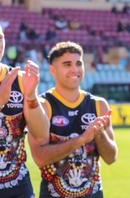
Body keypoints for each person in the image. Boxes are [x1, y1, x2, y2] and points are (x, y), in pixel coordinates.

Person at [28, 42, 117, 198]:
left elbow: (111, 158)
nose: (75, 69)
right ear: (52, 71)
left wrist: (100, 134)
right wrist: (82, 139)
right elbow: (39, 158)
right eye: (67, 64)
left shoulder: (99, 104)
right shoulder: (42, 105)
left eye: (78, 63)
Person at [0, 25, 50, 198]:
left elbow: (42, 135)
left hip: (18, 187)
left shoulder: (18, 79)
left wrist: (31, 97)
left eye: (0, 38)